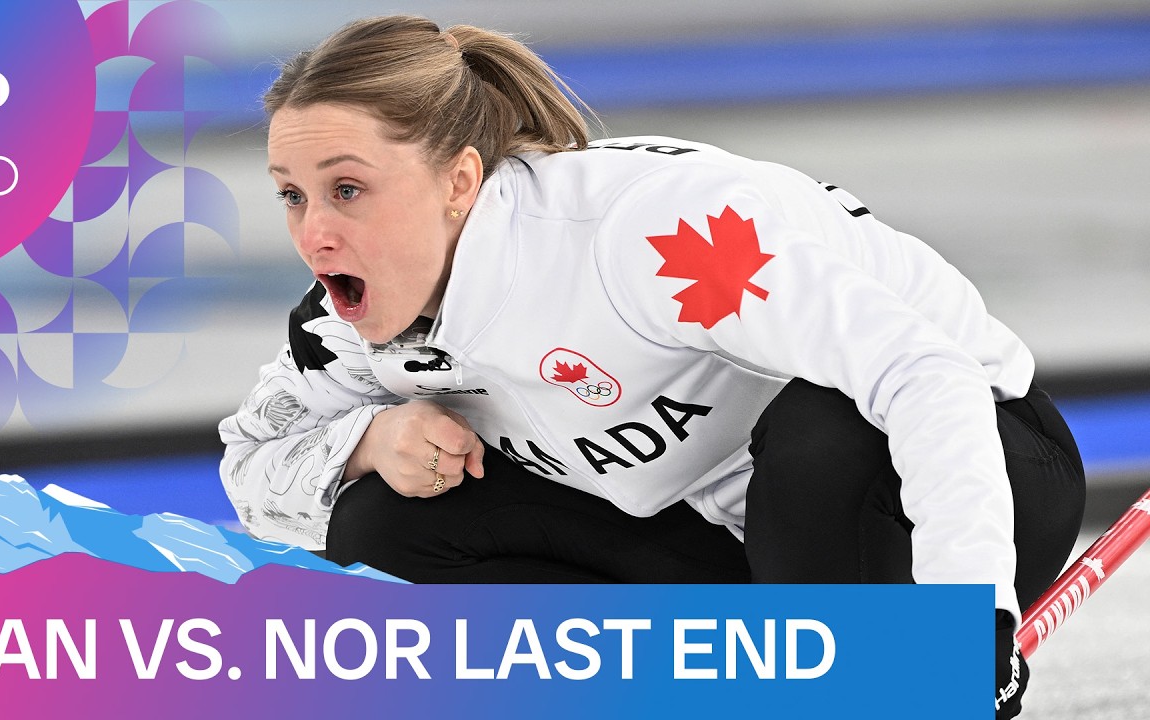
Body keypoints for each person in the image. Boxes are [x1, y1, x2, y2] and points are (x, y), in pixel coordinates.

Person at [219, 15, 1085, 717]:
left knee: (822, 426)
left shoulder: (651, 238)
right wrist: (371, 440)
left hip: (967, 472)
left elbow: (926, 375)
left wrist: (970, 616)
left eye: (347, 189)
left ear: (459, 180)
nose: (313, 234)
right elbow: (250, 469)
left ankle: (873, 667)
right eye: (291, 194)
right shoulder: (346, 329)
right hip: (727, 543)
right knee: (383, 527)